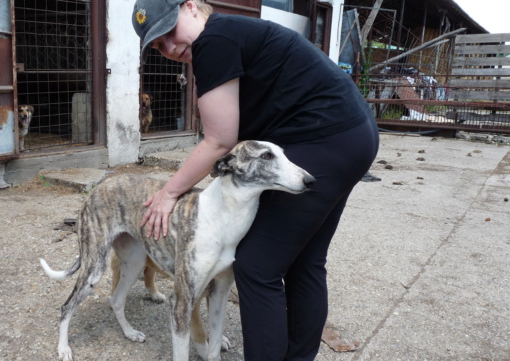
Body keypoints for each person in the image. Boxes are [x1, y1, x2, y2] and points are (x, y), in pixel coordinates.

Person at [132, 0, 379, 360]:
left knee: (256, 265)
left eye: (169, 31)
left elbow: (219, 140)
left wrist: (169, 193)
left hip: (322, 139)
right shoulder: (231, 34)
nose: (169, 47)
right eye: (158, 45)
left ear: (190, 7)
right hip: (351, 136)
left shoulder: (214, 39)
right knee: (305, 260)